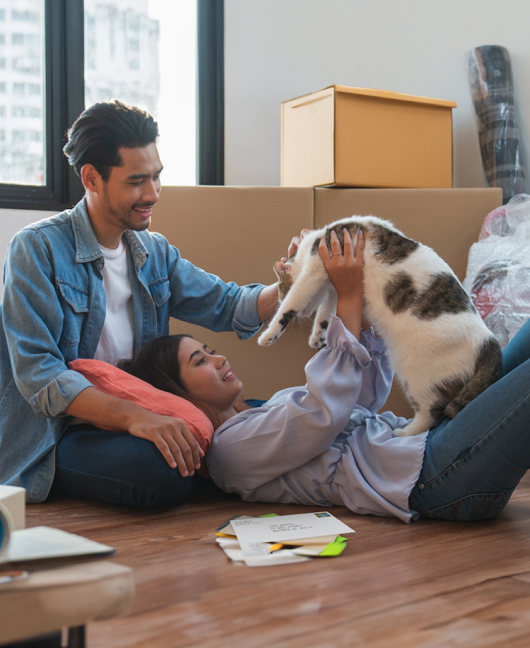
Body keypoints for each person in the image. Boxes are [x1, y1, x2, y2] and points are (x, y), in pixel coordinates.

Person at [0, 100, 298, 507]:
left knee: (281, 413)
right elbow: (40, 376)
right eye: (137, 181)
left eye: (157, 177)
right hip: (67, 431)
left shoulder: (153, 252)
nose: (153, 194)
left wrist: (293, 285)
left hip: (150, 410)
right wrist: (136, 417)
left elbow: (229, 305)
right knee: (160, 472)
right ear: (91, 178)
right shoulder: (36, 250)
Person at [124, 229, 530, 522]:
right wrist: (349, 298)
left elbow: (362, 399)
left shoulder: (265, 408)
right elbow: (324, 415)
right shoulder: (229, 454)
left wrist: (358, 304)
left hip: (428, 443)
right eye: (199, 361)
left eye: (210, 351)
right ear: (180, 396)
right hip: (434, 478)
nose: (218, 359)